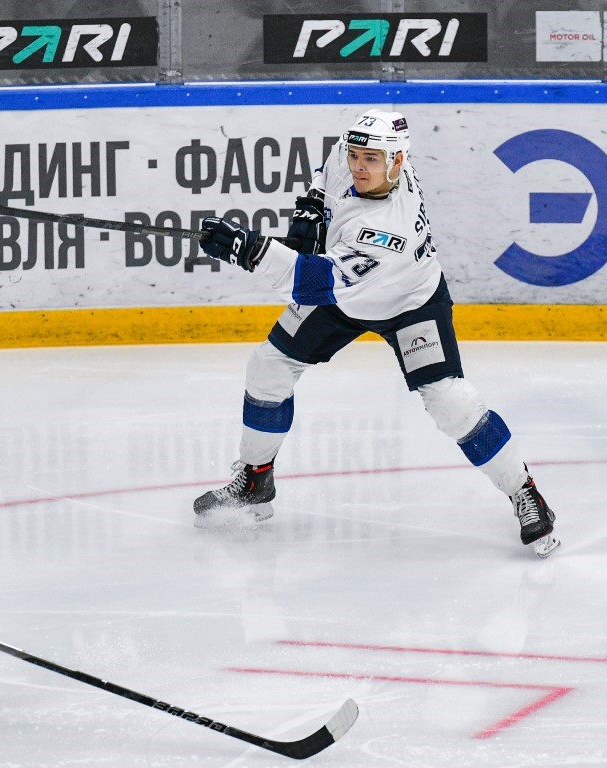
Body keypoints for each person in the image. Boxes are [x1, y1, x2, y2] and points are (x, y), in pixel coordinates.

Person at [194, 109, 560, 558]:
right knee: (268, 368)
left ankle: (524, 490)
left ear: (398, 163)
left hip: (409, 303)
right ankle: (255, 481)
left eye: (371, 158)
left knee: (451, 403)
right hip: (346, 294)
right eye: (356, 155)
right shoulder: (354, 156)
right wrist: (312, 203)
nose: (359, 166)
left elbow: (314, 281)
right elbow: (327, 175)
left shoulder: (391, 228)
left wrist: (247, 249)